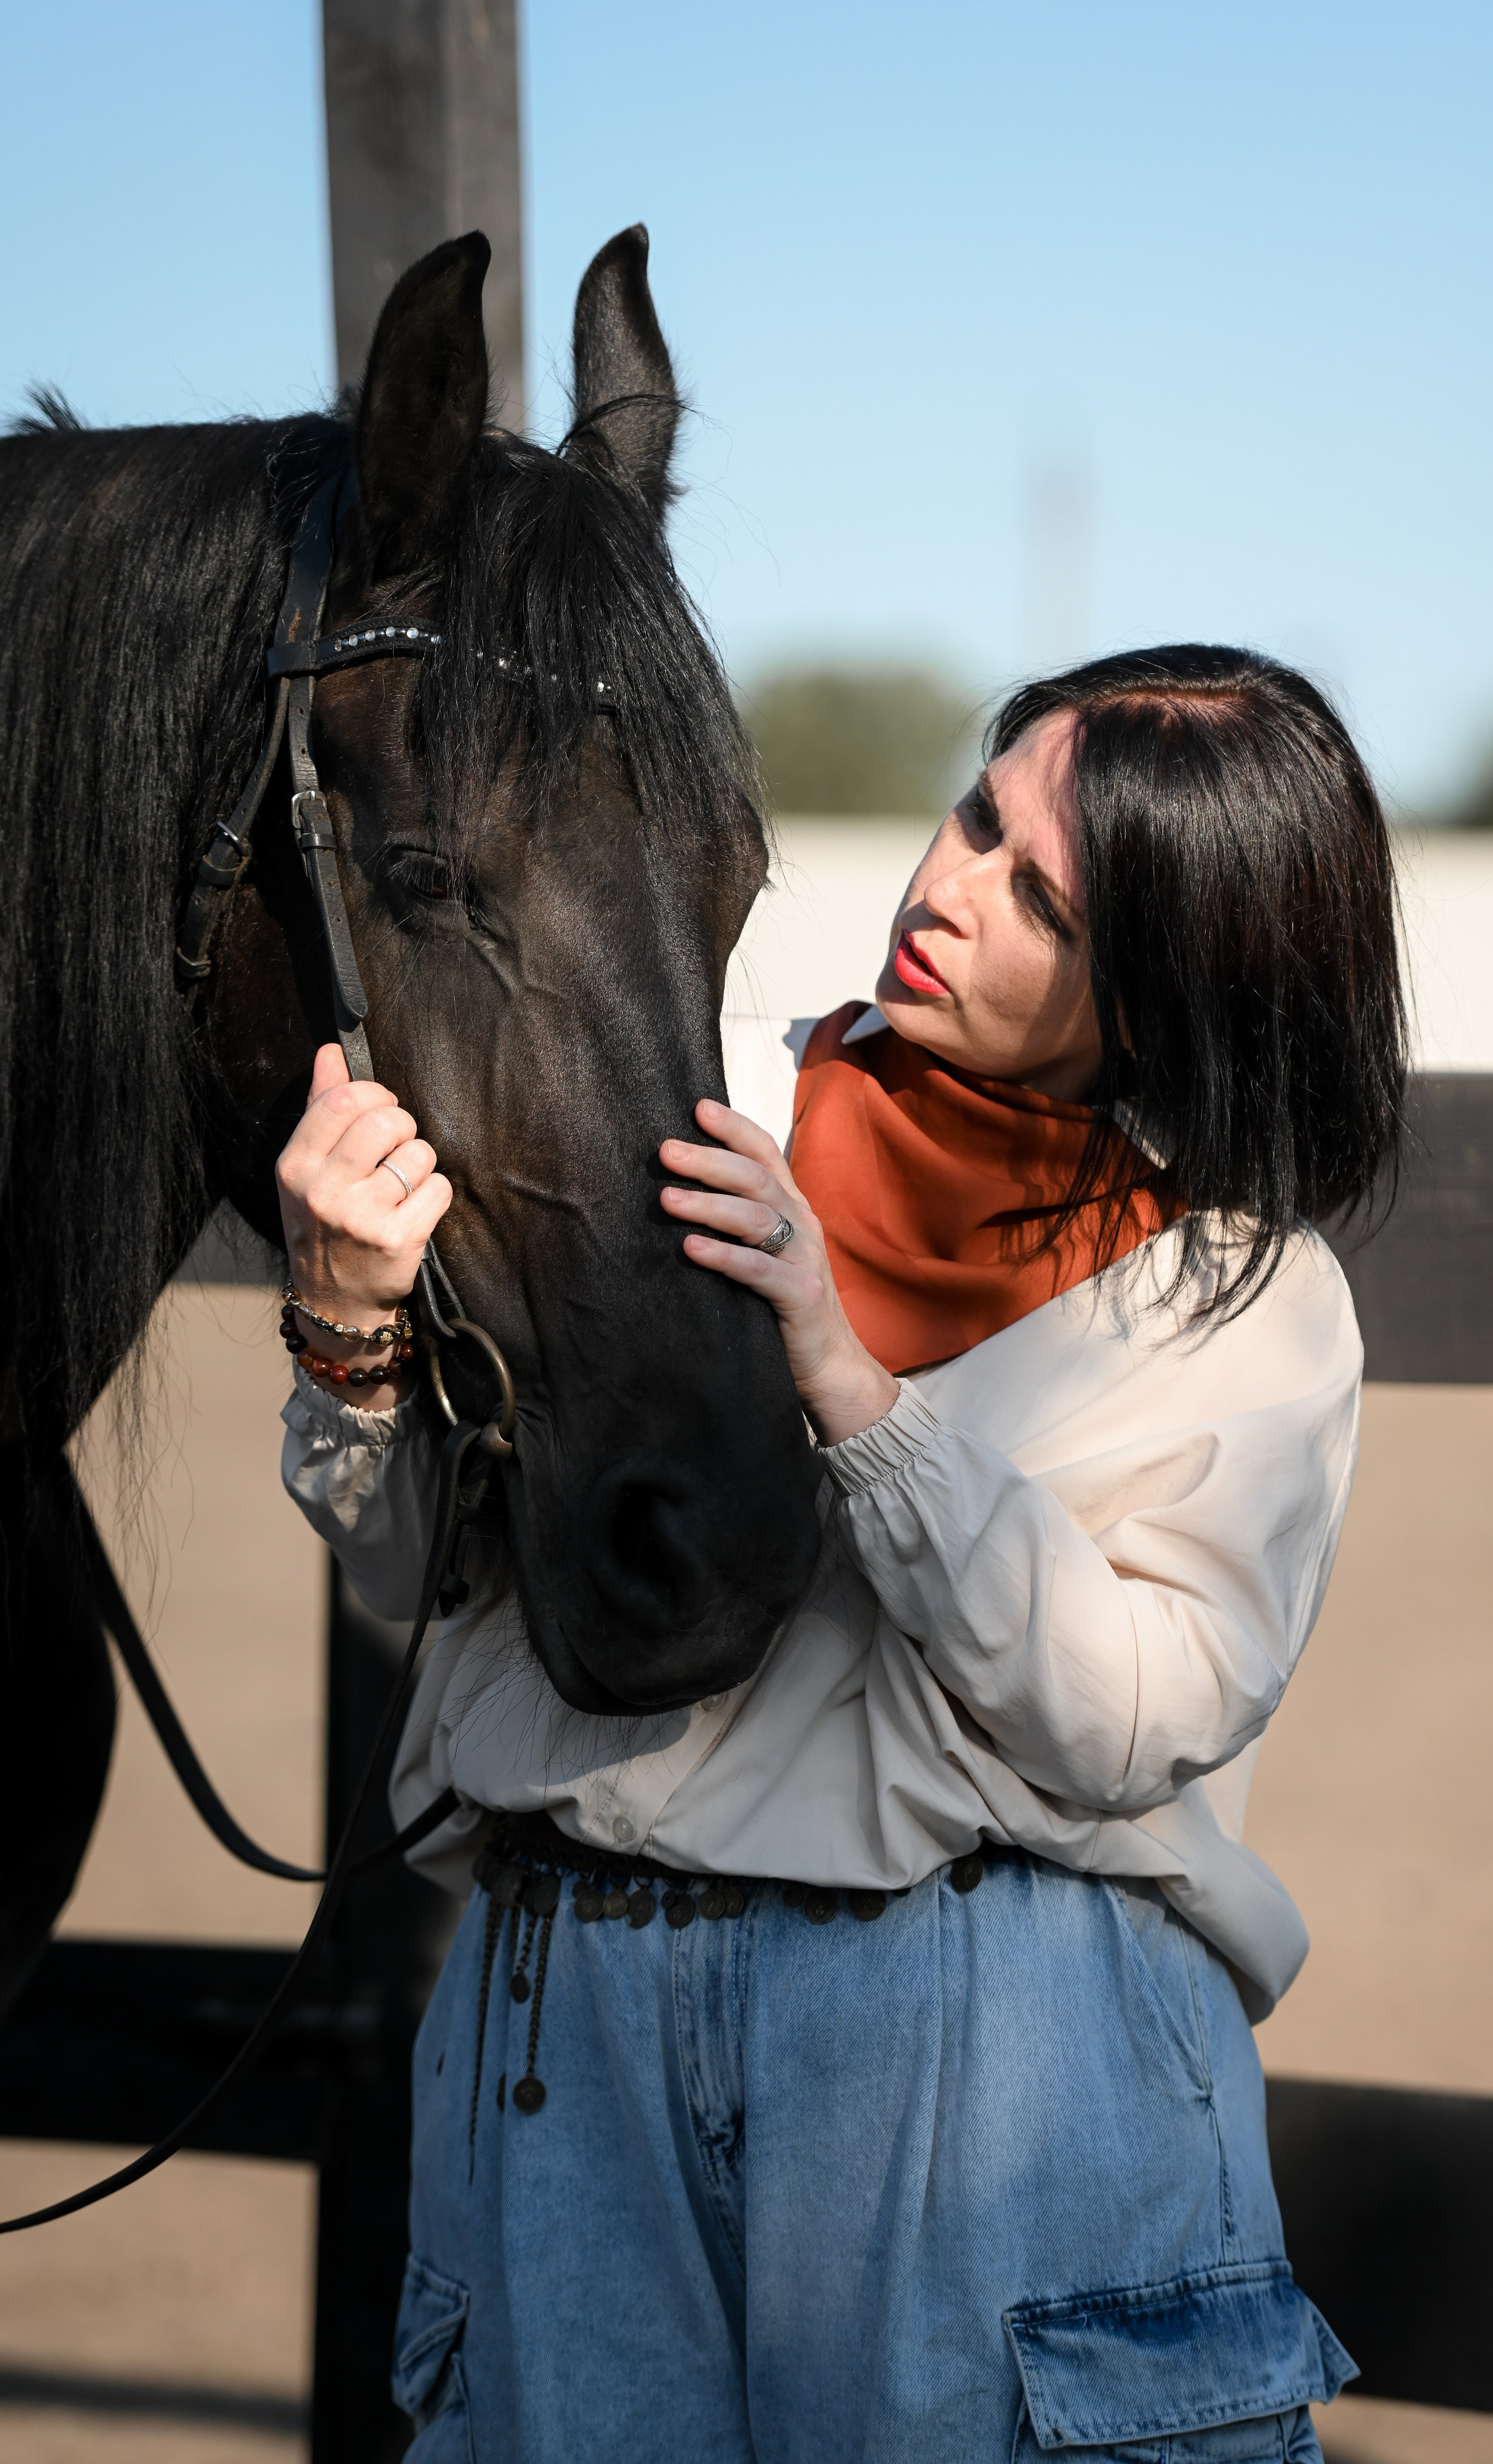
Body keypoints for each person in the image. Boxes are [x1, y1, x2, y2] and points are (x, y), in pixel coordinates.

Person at [277, 645, 1404, 2463]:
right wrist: (349, 1333)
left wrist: (852, 1391)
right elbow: (427, 1582)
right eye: (977, 816)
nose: (951, 891)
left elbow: (1135, 1718)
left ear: (1180, 986)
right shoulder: (679, 1106)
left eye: (1046, 904)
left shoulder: (1243, 1304)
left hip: (988, 2084)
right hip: (572, 2047)